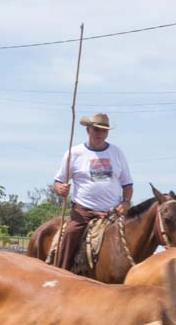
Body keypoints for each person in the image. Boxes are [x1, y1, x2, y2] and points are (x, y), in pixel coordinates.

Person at [53, 112, 133, 270]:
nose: (100, 134)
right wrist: (60, 189)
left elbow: (127, 184)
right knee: (69, 234)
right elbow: (58, 181)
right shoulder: (74, 153)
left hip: (113, 212)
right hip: (83, 212)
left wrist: (125, 201)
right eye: (96, 129)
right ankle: (60, 272)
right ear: (88, 130)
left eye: (104, 131)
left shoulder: (117, 153)